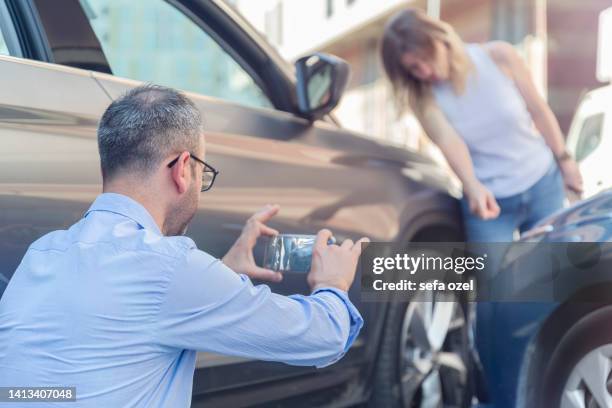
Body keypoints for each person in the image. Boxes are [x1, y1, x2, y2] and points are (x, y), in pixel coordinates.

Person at [0, 84, 369, 407]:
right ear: (181, 168)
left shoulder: (43, 253)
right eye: (201, 174)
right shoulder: (170, 267)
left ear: (105, 170)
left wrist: (222, 274)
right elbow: (321, 338)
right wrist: (332, 284)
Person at [381, 8, 583, 242]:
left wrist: (565, 161)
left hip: (542, 185)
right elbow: (450, 142)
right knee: (495, 278)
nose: (425, 71)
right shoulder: (423, 98)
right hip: (488, 201)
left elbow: (539, 110)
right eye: (414, 68)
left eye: (426, 58)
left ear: (441, 39)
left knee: (560, 271)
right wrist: (472, 186)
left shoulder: (499, 56)